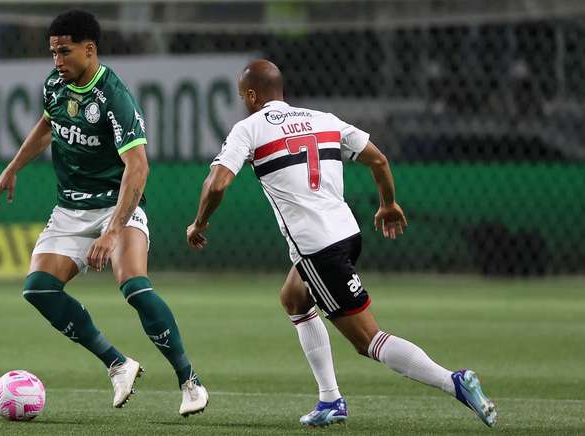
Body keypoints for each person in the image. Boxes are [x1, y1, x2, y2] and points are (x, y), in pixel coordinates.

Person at [186, 59, 496, 427]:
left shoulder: (249, 129)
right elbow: (378, 159)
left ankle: (453, 382)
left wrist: (199, 223)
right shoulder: (325, 119)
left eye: (242, 96)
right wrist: (388, 203)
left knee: (368, 341)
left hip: (319, 249)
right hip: (347, 233)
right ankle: (330, 399)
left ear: (252, 95)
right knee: (293, 296)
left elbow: (217, 183)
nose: (242, 102)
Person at [0, 10, 208, 416]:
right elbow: (46, 125)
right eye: (53, 52)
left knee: (134, 286)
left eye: (64, 52)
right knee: (38, 288)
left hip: (117, 205)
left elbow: (138, 166)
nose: (57, 61)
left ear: (89, 50)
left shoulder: (114, 97)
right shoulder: (55, 84)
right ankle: (118, 364)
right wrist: (12, 168)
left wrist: (111, 231)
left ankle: (189, 381)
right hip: (71, 209)